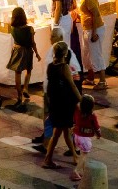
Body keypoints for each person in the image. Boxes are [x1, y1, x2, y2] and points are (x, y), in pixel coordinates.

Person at [32, 27, 82, 154]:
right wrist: (79, 99)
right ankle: (51, 146)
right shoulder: (68, 57)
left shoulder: (54, 63)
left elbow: (53, 80)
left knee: (56, 123)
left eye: (51, 37)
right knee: (64, 125)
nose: (50, 39)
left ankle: (50, 147)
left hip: (56, 96)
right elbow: (75, 78)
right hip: (62, 96)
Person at [42, 41, 82, 169]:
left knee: (65, 130)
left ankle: (75, 155)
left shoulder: (50, 66)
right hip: (63, 103)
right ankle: (48, 159)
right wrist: (81, 100)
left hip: (55, 101)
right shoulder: (64, 67)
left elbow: (50, 86)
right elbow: (72, 85)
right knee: (59, 132)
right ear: (65, 53)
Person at [73, 0, 108, 90]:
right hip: (87, 29)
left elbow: (96, 14)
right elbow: (87, 13)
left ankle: (102, 81)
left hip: (94, 29)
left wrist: (94, 32)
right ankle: (91, 77)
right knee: (87, 54)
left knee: (96, 54)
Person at [6, 7, 41, 108]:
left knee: (18, 73)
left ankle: (19, 96)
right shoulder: (30, 29)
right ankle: (26, 87)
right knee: (28, 70)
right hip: (28, 51)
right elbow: (33, 43)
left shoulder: (13, 29)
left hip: (17, 50)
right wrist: (37, 54)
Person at [71, 94, 102, 182]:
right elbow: (97, 127)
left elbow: (74, 120)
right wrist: (99, 135)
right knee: (84, 155)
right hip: (85, 139)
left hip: (76, 136)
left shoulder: (77, 111)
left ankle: (84, 171)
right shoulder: (92, 116)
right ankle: (76, 171)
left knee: (82, 153)